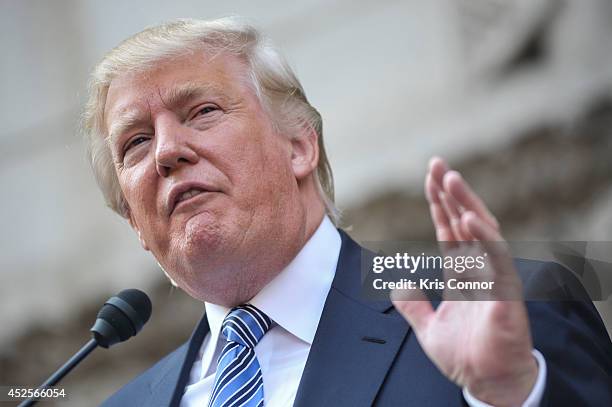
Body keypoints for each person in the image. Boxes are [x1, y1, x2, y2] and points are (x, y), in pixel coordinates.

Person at [82, 17, 612, 407]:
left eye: (202, 111)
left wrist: (514, 394)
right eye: (135, 142)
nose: (166, 151)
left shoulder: (503, 301)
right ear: (135, 222)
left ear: (299, 146)